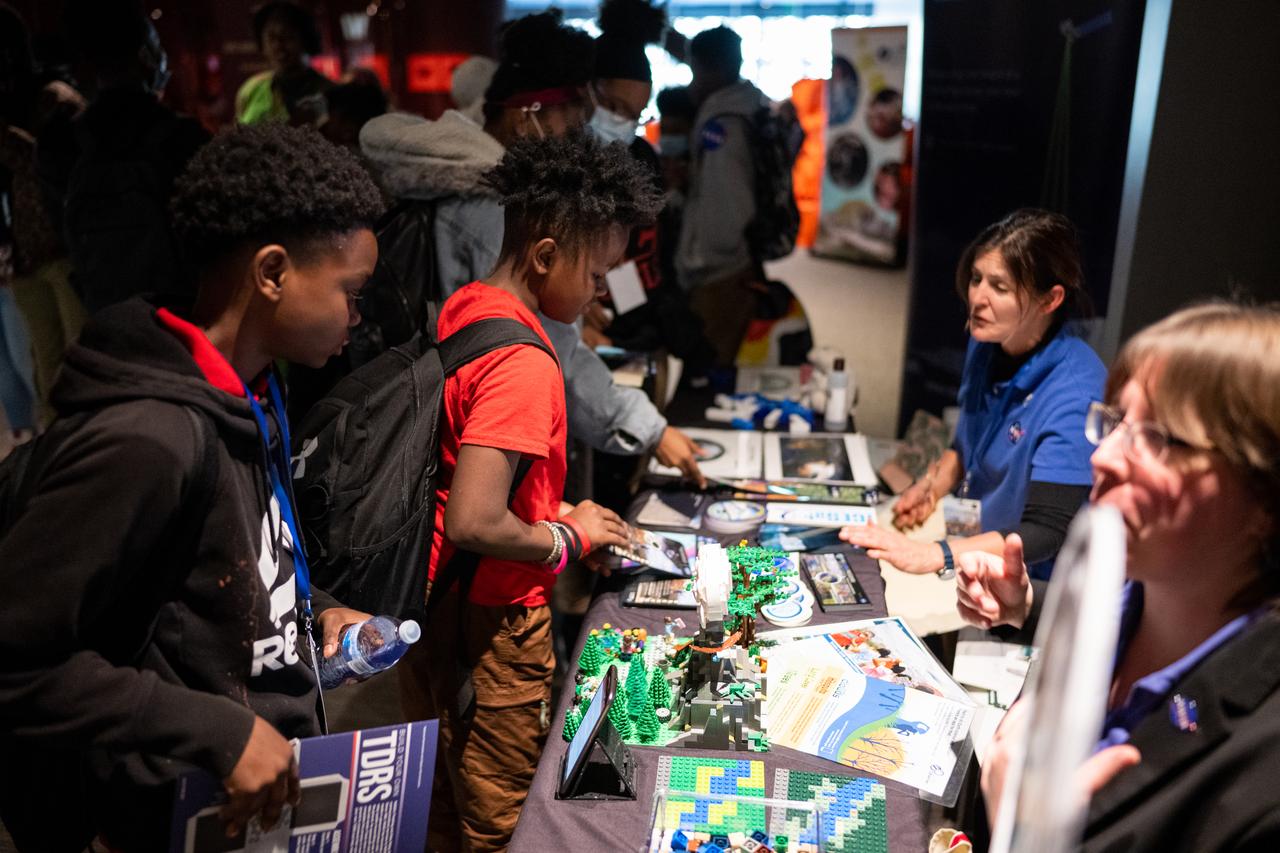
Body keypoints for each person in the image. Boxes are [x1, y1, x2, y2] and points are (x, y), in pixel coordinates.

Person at [0, 123, 383, 851]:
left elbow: (223, 554)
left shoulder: (253, 387)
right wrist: (216, 726)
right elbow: (17, 653)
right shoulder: (149, 437)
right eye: (350, 292)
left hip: (244, 798)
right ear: (271, 272)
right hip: (159, 808)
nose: (358, 318)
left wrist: (314, 608)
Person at [397, 130, 660, 852]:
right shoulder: (525, 363)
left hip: (442, 603)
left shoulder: (470, 305)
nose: (603, 290)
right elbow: (478, 519)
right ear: (546, 257)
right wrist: (568, 537)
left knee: (445, 795)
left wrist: (562, 515)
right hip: (494, 618)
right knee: (505, 816)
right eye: (596, 272)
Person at [962, 301, 1280, 850]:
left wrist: (1027, 838)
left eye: (1160, 438)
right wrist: (1027, 607)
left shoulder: (1264, 781)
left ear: (1266, 501)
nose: (1103, 457)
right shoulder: (1115, 596)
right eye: (1115, 422)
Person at [358, 10, 706, 482]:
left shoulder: (480, 183)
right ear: (528, 117)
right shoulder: (490, 208)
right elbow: (548, 350)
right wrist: (646, 428)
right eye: (575, 118)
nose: (582, 134)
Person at [841, 210, 1105, 580]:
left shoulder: (1077, 395)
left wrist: (936, 555)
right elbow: (968, 445)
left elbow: (1046, 532)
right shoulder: (990, 338)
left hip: (1038, 583)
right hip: (977, 545)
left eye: (1000, 287)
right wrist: (932, 487)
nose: (977, 298)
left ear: (1050, 300)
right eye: (977, 278)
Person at [582, 0, 715, 377]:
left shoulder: (641, 154)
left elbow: (648, 249)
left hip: (637, 311)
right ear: (588, 91)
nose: (624, 122)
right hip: (587, 320)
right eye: (614, 106)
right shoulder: (567, 158)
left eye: (637, 115)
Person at [62, 0, 210, 313]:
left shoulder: (64, 143)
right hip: (177, 313)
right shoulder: (182, 137)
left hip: (107, 315)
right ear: (146, 54)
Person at [676, 24, 770, 366]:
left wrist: (699, 260)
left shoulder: (723, 126)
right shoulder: (748, 108)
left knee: (711, 366)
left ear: (711, 69)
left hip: (719, 272)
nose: (692, 83)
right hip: (737, 263)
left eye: (694, 70)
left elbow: (725, 201)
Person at [236, 0, 331, 126]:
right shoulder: (251, 90)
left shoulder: (328, 92)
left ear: (305, 40)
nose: (278, 46)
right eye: (271, 38)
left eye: (287, 37)